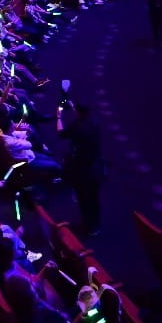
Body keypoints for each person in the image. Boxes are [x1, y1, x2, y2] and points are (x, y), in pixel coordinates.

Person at [57, 97, 104, 237]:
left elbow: (61, 133)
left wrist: (59, 116)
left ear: (78, 112)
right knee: (94, 198)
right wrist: (73, 107)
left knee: (83, 198)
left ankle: (87, 226)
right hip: (96, 167)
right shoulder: (94, 123)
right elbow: (81, 119)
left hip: (82, 169)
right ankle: (96, 225)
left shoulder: (76, 126)